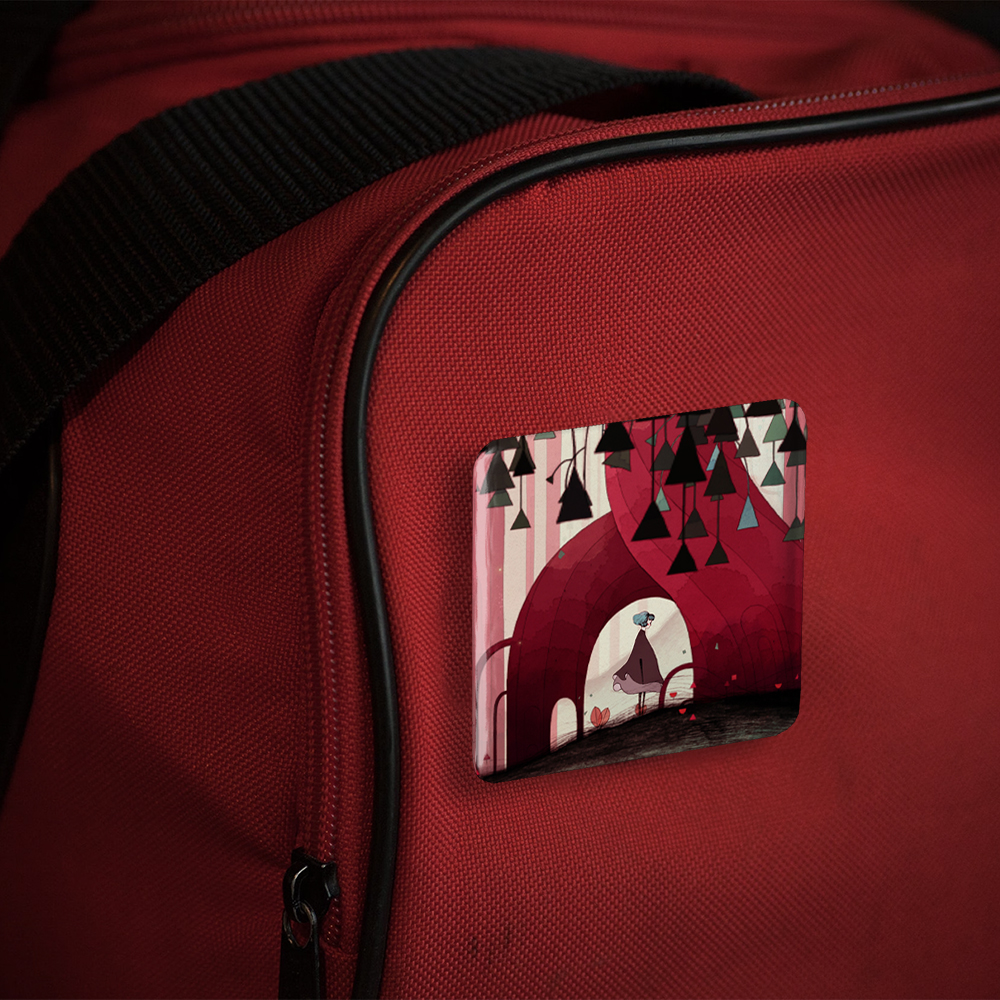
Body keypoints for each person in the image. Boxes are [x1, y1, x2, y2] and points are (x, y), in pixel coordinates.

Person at [613, 611, 664, 713]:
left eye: (650, 622)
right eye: (649, 621)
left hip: (644, 667)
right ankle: (640, 707)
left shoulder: (642, 636)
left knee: (643, 688)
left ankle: (641, 707)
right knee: (642, 686)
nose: (650, 624)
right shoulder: (641, 637)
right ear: (644, 622)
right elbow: (636, 654)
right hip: (640, 668)